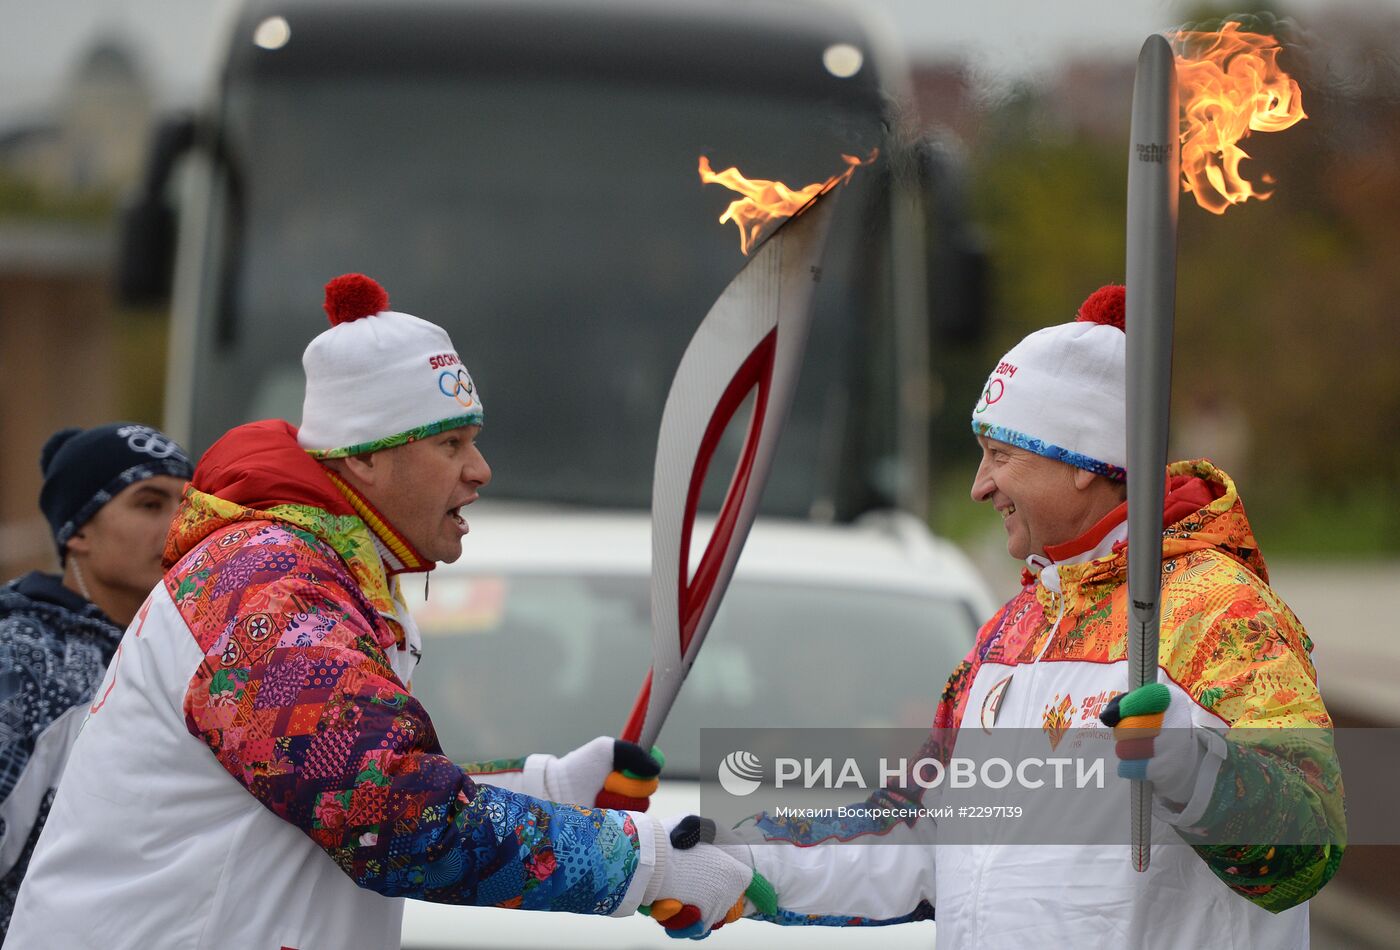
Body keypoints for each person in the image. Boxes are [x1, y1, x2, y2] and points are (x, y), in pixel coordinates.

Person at [4, 274, 751, 949]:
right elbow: (385, 819)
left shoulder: (329, 575)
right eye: (451, 443)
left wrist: (545, 789)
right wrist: (644, 864)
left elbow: (330, 777)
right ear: (363, 459)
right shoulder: (267, 589)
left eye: (475, 440)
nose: (479, 469)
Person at [644, 284, 1345, 947]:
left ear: (1084, 461)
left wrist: (1194, 771)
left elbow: (1309, 851)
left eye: (1000, 455)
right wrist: (739, 860)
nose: (981, 486)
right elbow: (916, 830)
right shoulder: (1013, 633)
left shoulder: (1225, 616)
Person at [0, 422, 193, 936]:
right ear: (77, 530)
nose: (179, 525)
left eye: (189, 504)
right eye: (150, 504)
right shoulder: (21, 655)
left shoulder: (188, 653)